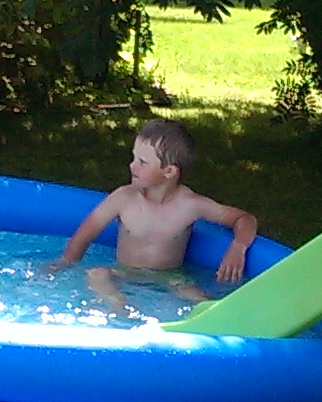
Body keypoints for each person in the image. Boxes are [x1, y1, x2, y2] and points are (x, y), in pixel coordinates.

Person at [49, 118, 257, 309]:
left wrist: (238, 247)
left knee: (199, 299)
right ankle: (118, 306)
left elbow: (244, 218)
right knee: (97, 274)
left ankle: (218, 314)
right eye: (134, 157)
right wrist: (64, 264)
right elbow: (85, 234)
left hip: (169, 278)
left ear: (169, 172)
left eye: (142, 162)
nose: (132, 165)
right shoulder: (123, 198)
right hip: (124, 273)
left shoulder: (191, 205)